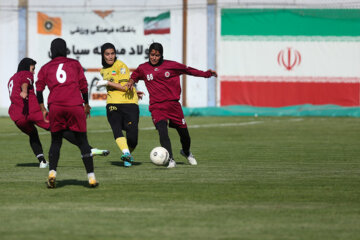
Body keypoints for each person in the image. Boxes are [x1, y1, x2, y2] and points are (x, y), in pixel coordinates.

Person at [7, 58, 109, 169]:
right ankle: (89, 149)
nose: (34, 72)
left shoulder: (11, 79)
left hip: (17, 116)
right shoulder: (25, 73)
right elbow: (25, 83)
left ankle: (42, 162)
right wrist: (25, 91)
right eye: (33, 69)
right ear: (27, 67)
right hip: (32, 110)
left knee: (33, 134)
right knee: (60, 127)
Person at [127, 42, 217, 168]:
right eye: (152, 54)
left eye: (157, 55)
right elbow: (135, 76)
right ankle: (170, 159)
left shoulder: (172, 65)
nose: (154, 57)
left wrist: (206, 74)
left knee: (185, 135)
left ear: (161, 55)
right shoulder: (143, 68)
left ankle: (186, 152)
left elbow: (189, 70)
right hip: (157, 107)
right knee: (162, 132)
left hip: (173, 106)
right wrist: (131, 81)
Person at [36, 38, 99, 188]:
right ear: (65, 50)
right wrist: (86, 104)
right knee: (83, 142)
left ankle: (52, 173)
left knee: (56, 141)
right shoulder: (74, 64)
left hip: (56, 106)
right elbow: (83, 86)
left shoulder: (45, 67)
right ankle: (91, 177)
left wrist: (43, 108)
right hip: (74, 105)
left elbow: (38, 89)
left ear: (52, 51)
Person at [96, 43, 144, 167]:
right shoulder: (103, 70)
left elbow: (123, 87)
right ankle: (126, 153)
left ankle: (128, 155)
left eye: (112, 53)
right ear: (103, 55)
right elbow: (116, 86)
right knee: (116, 128)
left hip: (129, 104)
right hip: (112, 103)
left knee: (133, 138)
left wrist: (107, 82)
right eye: (107, 54)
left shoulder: (121, 66)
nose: (110, 56)